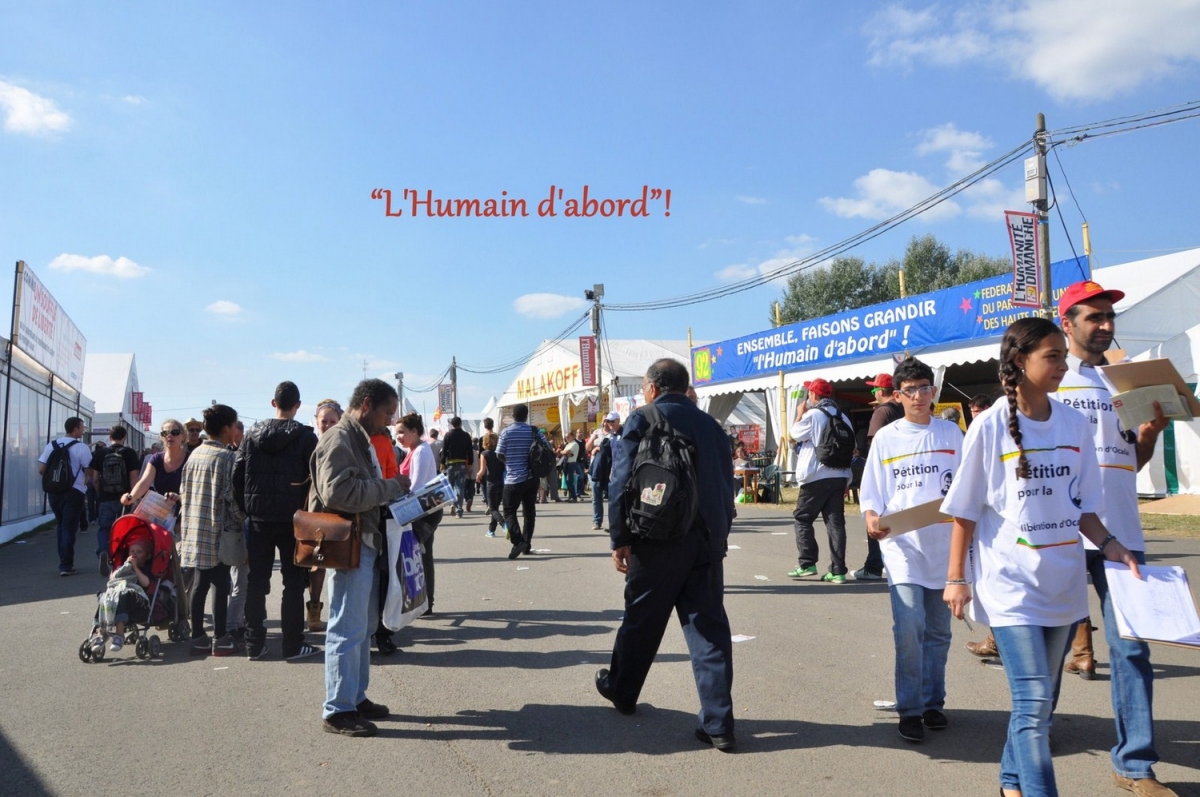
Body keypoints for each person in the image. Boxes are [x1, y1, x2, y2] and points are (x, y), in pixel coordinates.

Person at [942, 317, 1141, 797]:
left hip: (1063, 583)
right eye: (1052, 356)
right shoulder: (989, 427)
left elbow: (1085, 510)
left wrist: (1113, 545)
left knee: (1042, 704)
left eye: (1062, 355)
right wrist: (956, 578)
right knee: (1032, 701)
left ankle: (1011, 780)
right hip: (1009, 584)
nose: (1062, 364)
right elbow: (964, 512)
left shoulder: (1074, 423)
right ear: (1018, 361)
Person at [1053, 280, 1177, 796]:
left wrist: (1147, 439)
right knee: (1046, 647)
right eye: (1093, 317)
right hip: (1057, 535)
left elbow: (1127, 466)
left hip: (1121, 534)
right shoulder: (1050, 382)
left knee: (1130, 651)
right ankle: (1032, 737)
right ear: (1067, 324)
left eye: (1109, 317)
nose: (1105, 325)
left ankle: (1134, 765)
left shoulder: (1123, 384)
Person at [595, 358, 737, 750]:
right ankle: (718, 723)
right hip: (705, 542)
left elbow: (620, 482)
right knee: (708, 630)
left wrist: (619, 538)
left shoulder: (643, 418)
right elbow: (727, 487)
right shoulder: (711, 426)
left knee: (641, 620)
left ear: (654, 387)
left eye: (644, 387)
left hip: (654, 539)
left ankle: (623, 692)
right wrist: (720, 538)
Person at [859, 358, 962, 743]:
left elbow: (968, 487)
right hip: (902, 548)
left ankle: (933, 702)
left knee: (938, 631)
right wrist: (872, 517)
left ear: (933, 392)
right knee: (909, 627)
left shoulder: (952, 434)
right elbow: (872, 492)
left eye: (924, 388)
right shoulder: (887, 438)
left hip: (944, 547)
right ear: (898, 396)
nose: (918, 396)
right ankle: (910, 709)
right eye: (910, 390)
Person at [311, 379, 409, 737]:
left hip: (364, 541)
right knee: (347, 627)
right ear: (366, 405)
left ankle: (354, 697)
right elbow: (340, 493)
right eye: (385, 413)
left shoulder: (357, 437)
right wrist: (391, 487)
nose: (387, 422)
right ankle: (337, 709)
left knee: (362, 628)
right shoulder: (339, 438)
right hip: (349, 545)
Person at [234, 381, 320, 661]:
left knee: (256, 582)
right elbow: (317, 479)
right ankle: (292, 645)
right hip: (293, 518)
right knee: (293, 583)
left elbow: (237, 473)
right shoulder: (306, 437)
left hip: (258, 517)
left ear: (274, 403)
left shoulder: (251, 435)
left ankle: (254, 644)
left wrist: (245, 507)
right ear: (298, 405)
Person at [178, 404, 246, 657]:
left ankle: (198, 637)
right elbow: (232, 498)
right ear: (227, 428)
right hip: (218, 529)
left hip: (195, 527)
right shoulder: (228, 458)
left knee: (199, 582)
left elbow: (185, 492)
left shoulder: (193, 455)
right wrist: (244, 520)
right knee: (221, 583)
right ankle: (221, 638)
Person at [787, 378, 854, 583]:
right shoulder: (844, 417)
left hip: (815, 475)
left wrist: (799, 413)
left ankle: (807, 563)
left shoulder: (814, 415)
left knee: (803, 518)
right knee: (836, 524)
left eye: (809, 393)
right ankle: (838, 570)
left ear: (814, 395)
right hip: (840, 475)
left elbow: (793, 435)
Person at [852, 373, 904, 582]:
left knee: (876, 519)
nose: (873, 393)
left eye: (874, 390)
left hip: (886, 474)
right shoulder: (904, 409)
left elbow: (875, 448)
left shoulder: (882, 412)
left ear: (880, 391)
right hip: (905, 472)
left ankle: (874, 565)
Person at [37, 416, 93, 576]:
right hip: (74, 491)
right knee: (69, 527)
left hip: (54, 491)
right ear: (75, 428)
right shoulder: (81, 447)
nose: (83, 430)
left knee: (61, 525)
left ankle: (64, 562)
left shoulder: (51, 445)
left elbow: (41, 469)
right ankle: (65, 565)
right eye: (82, 427)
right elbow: (90, 470)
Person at [395, 413, 440, 614]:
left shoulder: (421, 451)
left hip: (423, 511)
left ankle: (426, 601)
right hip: (421, 509)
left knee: (421, 555)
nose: (399, 437)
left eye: (402, 432)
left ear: (414, 431)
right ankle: (424, 601)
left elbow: (417, 485)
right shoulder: (414, 450)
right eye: (397, 433)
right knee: (421, 555)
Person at [306, 398, 343, 633]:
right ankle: (314, 612)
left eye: (333, 421)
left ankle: (341, 613)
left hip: (340, 512)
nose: (328, 425)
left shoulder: (345, 445)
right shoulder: (312, 445)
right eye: (324, 421)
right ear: (316, 422)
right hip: (316, 511)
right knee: (316, 565)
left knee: (342, 562)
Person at [496, 404, 548, 560]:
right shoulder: (534, 431)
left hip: (513, 479)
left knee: (509, 511)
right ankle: (527, 544)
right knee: (529, 512)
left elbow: (499, 453)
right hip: (532, 478)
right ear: (527, 415)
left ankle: (518, 541)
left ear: (513, 415)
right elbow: (546, 448)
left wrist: (510, 462)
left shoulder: (506, 432)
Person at [86, 425, 140, 575]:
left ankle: (103, 551)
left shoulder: (101, 453)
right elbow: (133, 478)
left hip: (105, 498)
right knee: (126, 530)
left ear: (110, 437)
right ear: (125, 437)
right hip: (125, 498)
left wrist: (99, 494)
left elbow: (95, 479)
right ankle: (121, 560)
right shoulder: (129, 453)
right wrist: (135, 497)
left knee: (104, 528)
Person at [121, 419, 189, 515]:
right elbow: (144, 482)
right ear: (161, 437)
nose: (169, 436)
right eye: (165, 433)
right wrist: (131, 497)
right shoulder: (156, 459)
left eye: (175, 432)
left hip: (185, 514)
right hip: (161, 514)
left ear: (183, 436)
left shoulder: (190, 459)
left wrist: (180, 497)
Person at [588, 412, 620, 531]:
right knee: (596, 497)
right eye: (605, 421)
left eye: (610, 421)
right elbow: (587, 448)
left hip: (609, 468)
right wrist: (593, 441)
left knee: (612, 497)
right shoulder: (596, 432)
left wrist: (600, 448)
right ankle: (597, 521)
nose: (607, 423)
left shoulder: (614, 433)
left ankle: (613, 522)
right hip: (596, 468)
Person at [440, 416, 474, 518]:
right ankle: (459, 510)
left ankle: (452, 504)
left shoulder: (448, 435)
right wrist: (470, 464)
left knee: (450, 486)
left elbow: (444, 450)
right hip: (462, 464)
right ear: (460, 424)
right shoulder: (466, 435)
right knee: (460, 487)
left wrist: (442, 463)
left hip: (450, 464)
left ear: (452, 425)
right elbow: (470, 451)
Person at [476, 427, 505, 538]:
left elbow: (482, 470)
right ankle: (491, 530)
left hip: (491, 482)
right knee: (495, 508)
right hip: (502, 483)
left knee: (492, 508)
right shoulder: (501, 453)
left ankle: (503, 524)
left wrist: (478, 476)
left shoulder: (485, 454)